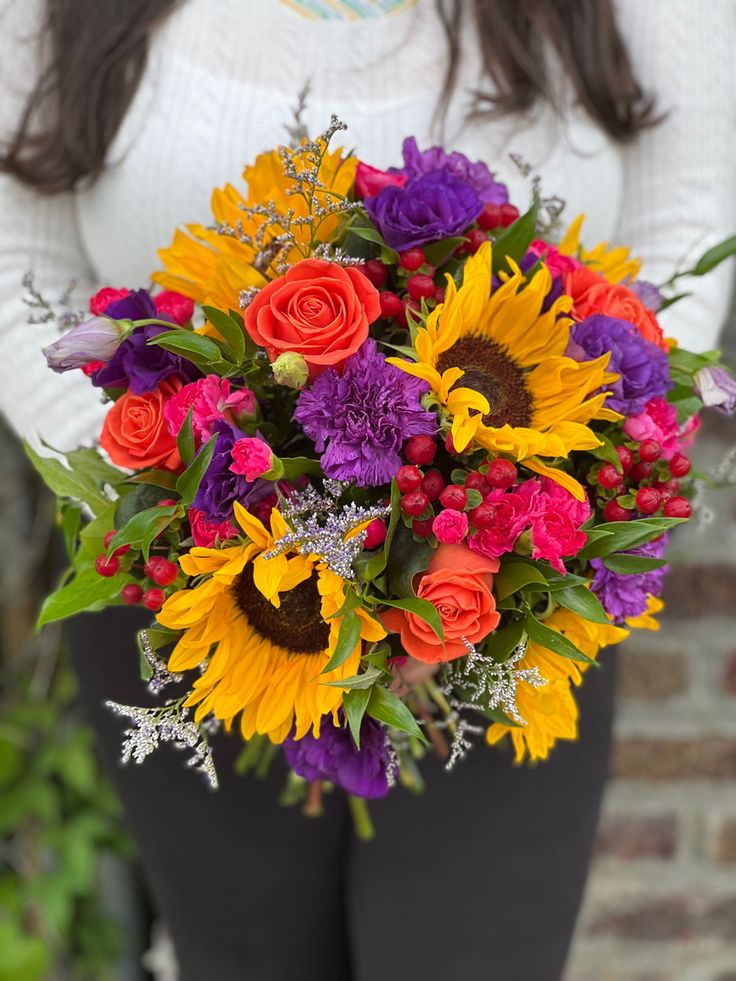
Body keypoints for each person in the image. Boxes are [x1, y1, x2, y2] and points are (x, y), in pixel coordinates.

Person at [1, 1, 734, 978]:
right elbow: (20, 262)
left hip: (502, 597)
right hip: (202, 585)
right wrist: (178, 488)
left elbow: (679, 226)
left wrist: (518, 507)